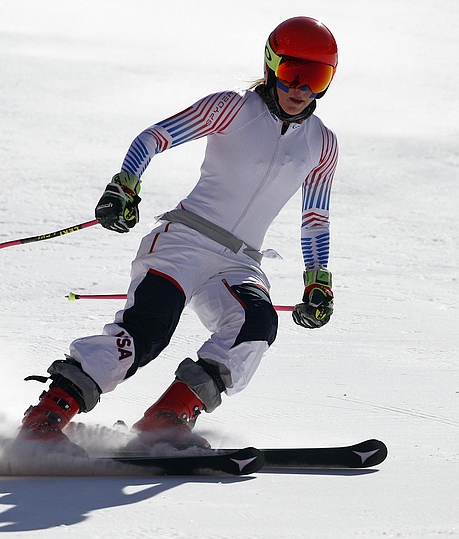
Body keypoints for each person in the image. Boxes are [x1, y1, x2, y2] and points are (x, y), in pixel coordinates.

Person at [18, 16, 339, 453]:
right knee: (148, 332)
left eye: (316, 77)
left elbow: (315, 217)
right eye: (292, 72)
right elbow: (153, 138)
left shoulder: (322, 143)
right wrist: (124, 186)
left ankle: (166, 419)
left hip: (240, 262)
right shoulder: (231, 108)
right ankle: (48, 416)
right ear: (270, 65)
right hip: (183, 242)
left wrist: (318, 281)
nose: (302, 88)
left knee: (257, 325)